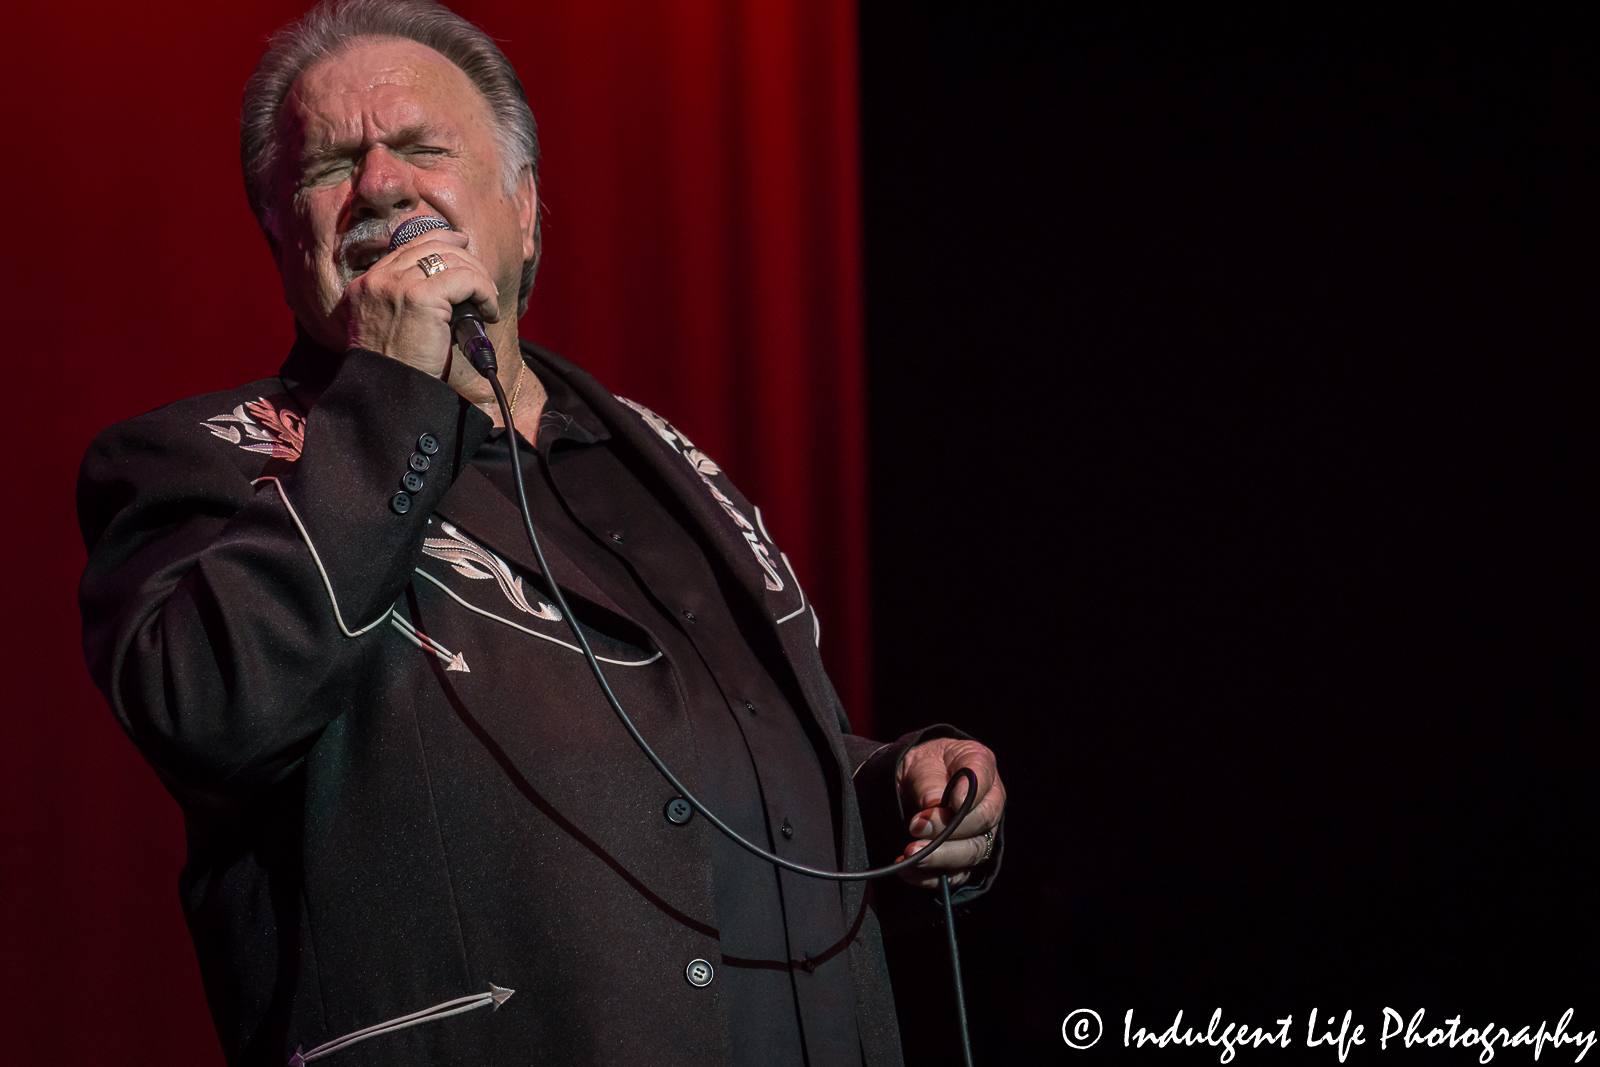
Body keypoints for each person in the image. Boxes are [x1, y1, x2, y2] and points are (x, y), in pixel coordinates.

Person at [76, 2, 1005, 1064]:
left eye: (422, 147)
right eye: (329, 165)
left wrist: (889, 788)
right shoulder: (202, 460)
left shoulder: (656, 457)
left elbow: (682, 751)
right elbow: (209, 711)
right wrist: (386, 394)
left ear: (524, 212)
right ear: (280, 237)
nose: (380, 184)